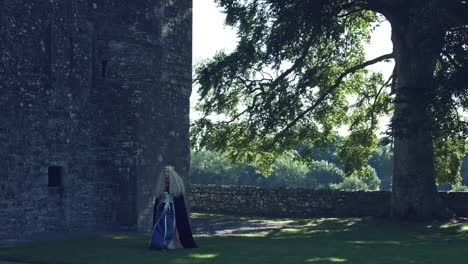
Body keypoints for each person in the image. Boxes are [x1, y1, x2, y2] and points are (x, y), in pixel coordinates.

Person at [149, 166, 197, 250]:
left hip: (173, 212)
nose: (165, 173)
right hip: (162, 211)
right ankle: (160, 243)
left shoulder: (176, 187)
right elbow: (158, 200)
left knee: (171, 227)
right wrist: (162, 200)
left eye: (167, 172)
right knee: (161, 227)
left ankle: (171, 243)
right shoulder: (161, 186)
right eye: (164, 172)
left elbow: (179, 203)